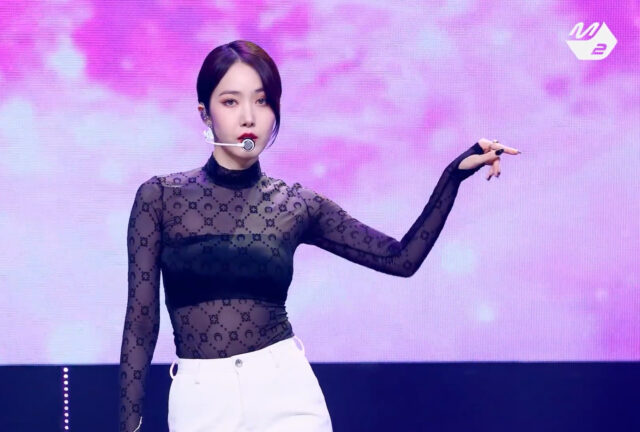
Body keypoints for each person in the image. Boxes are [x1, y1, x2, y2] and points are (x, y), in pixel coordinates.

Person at [119, 40, 520, 432]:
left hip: (286, 393)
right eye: (230, 101)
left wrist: (453, 176)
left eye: (262, 101)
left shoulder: (295, 204)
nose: (248, 117)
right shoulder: (160, 197)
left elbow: (401, 258)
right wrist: (129, 424)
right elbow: (141, 321)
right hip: (202, 401)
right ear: (205, 113)